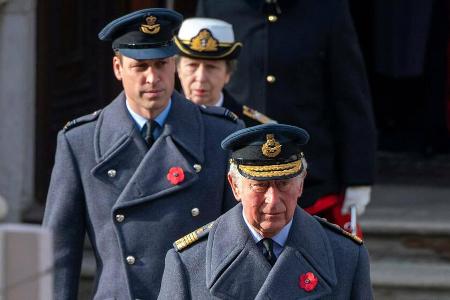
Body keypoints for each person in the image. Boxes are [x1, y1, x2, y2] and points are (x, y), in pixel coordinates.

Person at [43, 8, 244, 300]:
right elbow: (58, 253)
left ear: (174, 65)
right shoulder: (80, 142)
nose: (153, 78)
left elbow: (237, 241)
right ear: (117, 68)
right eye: (140, 66)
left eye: (161, 64)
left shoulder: (219, 134)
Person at [197, 0, 377, 237]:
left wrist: (358, 176)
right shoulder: (217, 5)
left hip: (310, 179)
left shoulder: (328, 8)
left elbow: (349, 92)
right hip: (240, 176)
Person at [158, 124, 374, 299]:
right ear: (234, 186)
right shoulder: (190, 261)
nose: (272, 200)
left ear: (300, 185)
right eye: (259, 186)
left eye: (283, 184)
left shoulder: (346, 256)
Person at [174, 17, 276, 126]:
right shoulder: (160, 116)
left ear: (228, 73)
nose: (201, 77)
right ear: (178, 69)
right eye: (192, 65)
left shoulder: (254, 128)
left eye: (211, 67)